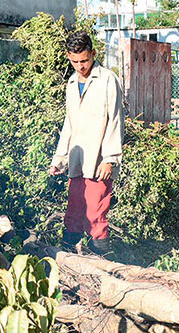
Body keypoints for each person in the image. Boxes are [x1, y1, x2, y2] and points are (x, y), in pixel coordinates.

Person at [48, 31, 124, 256]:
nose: (80, 66)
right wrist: (59, 159)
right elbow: (69, 125)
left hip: (99, 161)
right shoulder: (71, 83)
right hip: (76, 160)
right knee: (73, 214)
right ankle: (68, 264)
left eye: (84, 60)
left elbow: (115, 120)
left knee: (95, 216)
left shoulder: (108, 79)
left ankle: (103, 267)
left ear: (93, 54)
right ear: (68, 57)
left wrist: (110, 159)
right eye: (75, 61)